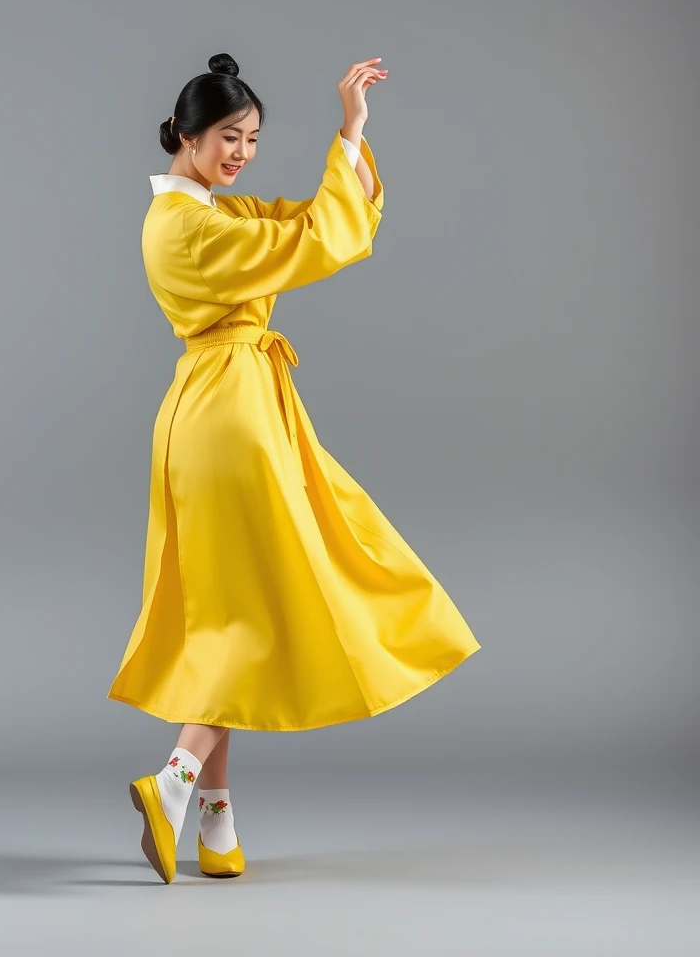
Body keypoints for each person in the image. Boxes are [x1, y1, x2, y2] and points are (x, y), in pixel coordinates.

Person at [107, 52, 481, 884]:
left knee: (226, 611)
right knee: (254, 605)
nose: (241, 152)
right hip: (230, 416)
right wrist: (348, 131)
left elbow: (309, 217)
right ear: (187, 134)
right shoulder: (191, 227)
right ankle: (172, 785)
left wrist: (348, 149)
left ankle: (215, 824)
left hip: (219, 408)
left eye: (251, 138)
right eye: (229, 137)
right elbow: (317, 239)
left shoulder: (206, 212)